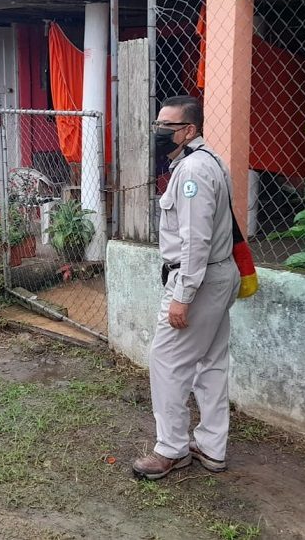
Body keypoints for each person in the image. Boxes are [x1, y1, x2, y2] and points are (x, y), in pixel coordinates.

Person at [133, 96, 240, 480]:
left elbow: (195, 240)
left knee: (167, 362)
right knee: (211, 363)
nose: (159, 131)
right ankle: (211, 448)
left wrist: (183, 296)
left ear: (189, 130)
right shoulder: (207, 161)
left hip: (198, 279)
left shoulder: (193, 171)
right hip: (217, 274)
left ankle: (172, 449)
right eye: (158, 123)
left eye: (167, 126)